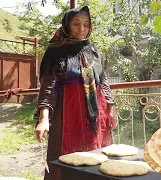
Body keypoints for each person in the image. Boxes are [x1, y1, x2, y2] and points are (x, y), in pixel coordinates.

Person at [34, 6, 116, 180]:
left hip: (95, 114)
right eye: (76, 24)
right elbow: (48, 87)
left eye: (86, 24)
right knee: (68, 158)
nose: (82, 29)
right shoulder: (56, 52)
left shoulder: (92, 50)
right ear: (67, 25)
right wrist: (43, 119)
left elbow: (103, 81)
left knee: (96, 156)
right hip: (68, 116)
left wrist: (111, 109)